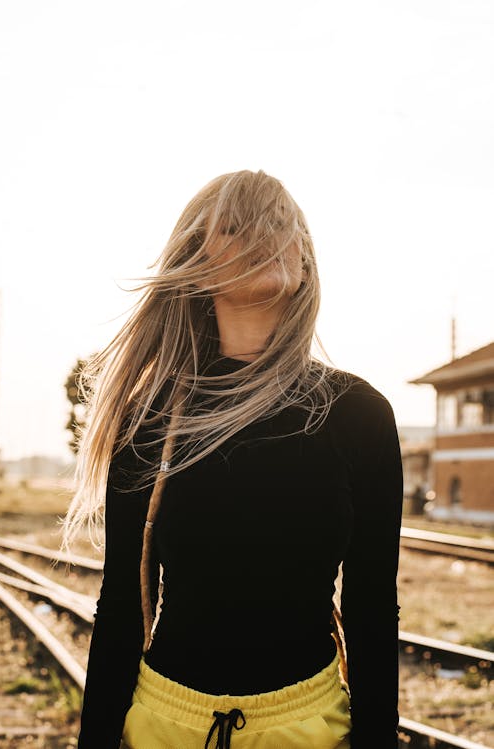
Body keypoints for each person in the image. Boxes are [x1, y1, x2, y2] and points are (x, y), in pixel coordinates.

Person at [60, 169, 403, 749]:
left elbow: (371, 609)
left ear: (305, 263)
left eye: (281, 225)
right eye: (239, 224)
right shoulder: (151, 420)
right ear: (198, 260)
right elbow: (119, 606)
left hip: (309, 728)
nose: (265, 235)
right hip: (165, 725)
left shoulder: (358, 414)